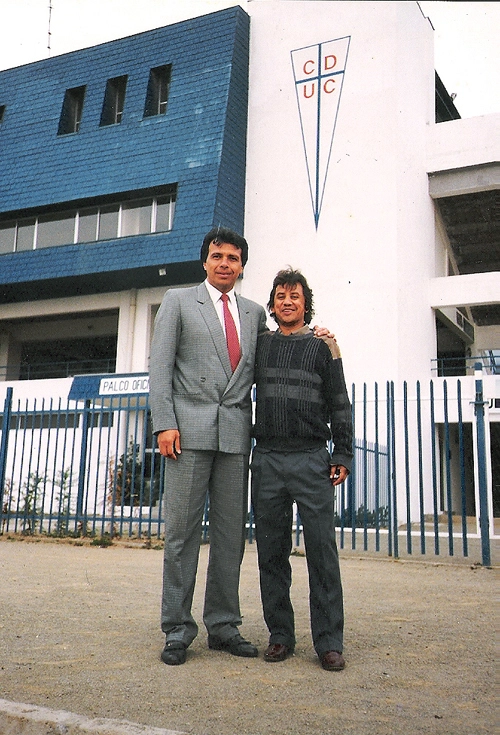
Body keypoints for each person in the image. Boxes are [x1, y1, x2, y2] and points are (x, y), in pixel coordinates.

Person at [149, 226, 267, 665]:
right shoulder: (179, 301)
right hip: (187, 434)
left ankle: (223, 626)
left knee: (231, 536)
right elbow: (159, 367)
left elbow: (268, 364)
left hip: (236, 436)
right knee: (181, 534)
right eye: (217, 255)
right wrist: (165, 423)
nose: (224, 263)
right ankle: (177, 630)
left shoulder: (255, 313)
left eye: (233, 258)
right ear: (205, 261)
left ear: (241, 265)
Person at [251, 268, 353, 672]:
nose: (287, 301)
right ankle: (280, 636)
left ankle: (329, 643)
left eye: (295, 295)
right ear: (273, 304)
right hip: (268, 459)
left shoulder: (324, 346)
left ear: (305, 302)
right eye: (280, 296)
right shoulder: (260, 345)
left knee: (322, 555)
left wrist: (342, 454)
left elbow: (340, 403)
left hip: (312, 459)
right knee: (270, 554)